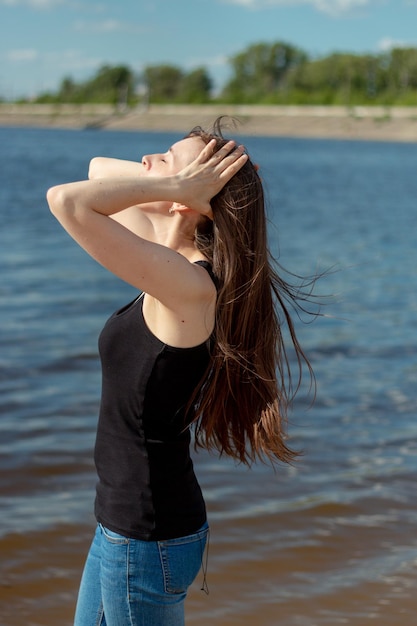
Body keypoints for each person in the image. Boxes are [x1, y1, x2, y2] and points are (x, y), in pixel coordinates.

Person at [47, 118, 315, 626]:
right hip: (123, 523)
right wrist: (184, 184)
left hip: (146, 537)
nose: (148, 162)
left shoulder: (191, 287)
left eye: (164, 158)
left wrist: (180, 186)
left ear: (186, 194)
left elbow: (67, 200)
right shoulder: (169, 250)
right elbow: (96, 168)